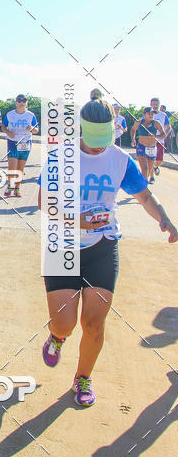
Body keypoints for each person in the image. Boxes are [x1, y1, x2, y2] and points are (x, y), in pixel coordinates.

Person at [39, 96, 177, 407]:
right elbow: (43, 202)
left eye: (106, 139)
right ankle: (57, 337)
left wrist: (164, 218)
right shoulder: (60, 157)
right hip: (62, 247)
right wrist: (77, 220)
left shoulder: (119, 160)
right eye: (94, 139)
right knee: (64, 323)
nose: (100, 146)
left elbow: (144, 196)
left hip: (103, 246)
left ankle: (83, 378)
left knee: (94, 323)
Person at [1, 95, 39, 197]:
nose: (21, 102)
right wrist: (9, 132)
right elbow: (3, 127)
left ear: (26, 102)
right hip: (13, 142)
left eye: (24, 100)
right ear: (16, 102)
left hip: (25, 143)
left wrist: (31, 128)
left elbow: (36, 130)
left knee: (20, 168)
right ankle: (10, 186)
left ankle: (17, 188)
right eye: (19, 100)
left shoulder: (31, 115)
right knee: (12, 167)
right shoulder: (10, 114)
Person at [131, 107, 164, 183]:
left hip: (152, 148)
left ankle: (143, 182)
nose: (151, 115)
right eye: (149, 114)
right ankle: (144, 187)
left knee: (149, 170)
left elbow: (163, 135)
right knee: (144, 169)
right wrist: (133, 139)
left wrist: (155, 136)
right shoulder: (139, 123)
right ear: (144, 114)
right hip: (141, 147)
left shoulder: (156, 123)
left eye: (152, 114)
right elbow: (133, 130)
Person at [150, 97, 171, 175]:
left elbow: (169, 127)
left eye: (156, 104)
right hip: (150, 141)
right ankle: (150, 176)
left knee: (159, 161)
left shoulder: (163, 115)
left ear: (159, 105)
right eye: (153, 104)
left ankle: (155, 167)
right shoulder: (148, 114)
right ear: (151, 104)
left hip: (160, 140)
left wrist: (164, 135)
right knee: (150, 158)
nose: (155, 106)